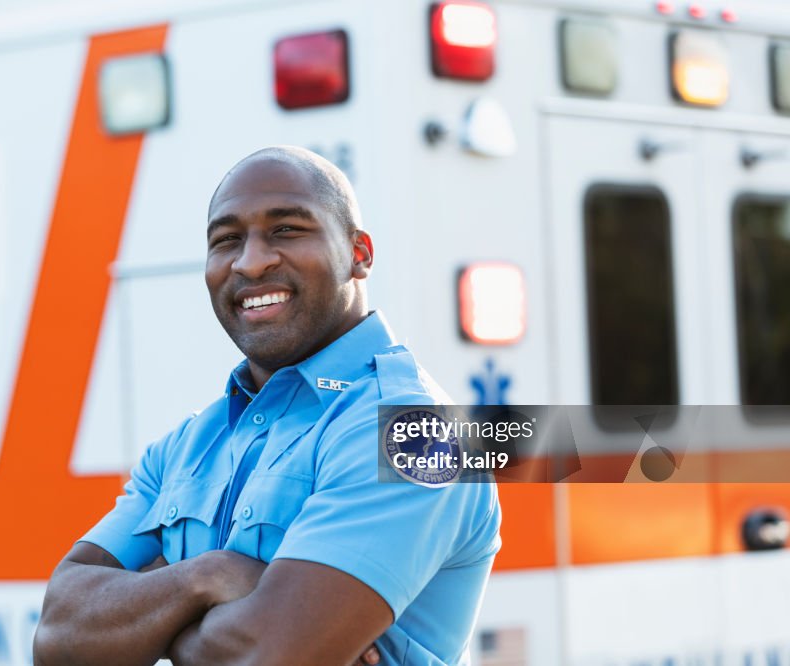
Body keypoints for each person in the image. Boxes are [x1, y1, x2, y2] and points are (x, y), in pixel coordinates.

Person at [33, 146, 501, 666]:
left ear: (359, 254)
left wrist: (150, 618)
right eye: (226, 240)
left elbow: (269, 655)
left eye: (286, 230)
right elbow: (59, 637)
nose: (251, 261)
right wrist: (209, 575)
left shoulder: (417, 433)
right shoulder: (186, 445)